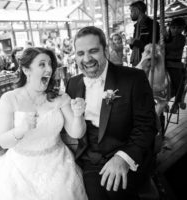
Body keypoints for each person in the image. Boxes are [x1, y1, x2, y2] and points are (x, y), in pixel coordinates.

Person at [0, 47, 88, 200]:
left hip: (59, 167)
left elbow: (76, 133)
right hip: (19, 171)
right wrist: (22, 129)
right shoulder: (9, 99)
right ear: (26, 70)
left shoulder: (60, 98)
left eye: (50, 64)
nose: (49, 69)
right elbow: (3, 142)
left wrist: (78, 115)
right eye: (42, 64)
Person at [64, 26, 157, 200]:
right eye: (80, 53)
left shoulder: (133, 78)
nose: (87, 58)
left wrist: (123, 158)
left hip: (126, 153)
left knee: (116, 192)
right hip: (90, 158)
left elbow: (147, 126)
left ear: (105, 50)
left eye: (93, 51)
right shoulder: (73, 84)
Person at [128, 1, 160, 67]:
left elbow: (153, 45)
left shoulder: (152, 24)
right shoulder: (137, 25)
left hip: (147, 62)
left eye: (131, 11)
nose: (130, 14)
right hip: (136, 61)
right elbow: (134, 46)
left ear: (137, 11)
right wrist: (131, 43)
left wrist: (134, 42)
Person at [165, 17, 186, 112]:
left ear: (182, 29)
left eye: (178, 28)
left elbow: (173, 46)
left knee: (178, 83)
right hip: (164, 63)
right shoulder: (166, 37)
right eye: (173, 27)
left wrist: (162, 44)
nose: (175, 30)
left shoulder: (181, 38)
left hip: (174, 64)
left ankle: (177, 102)